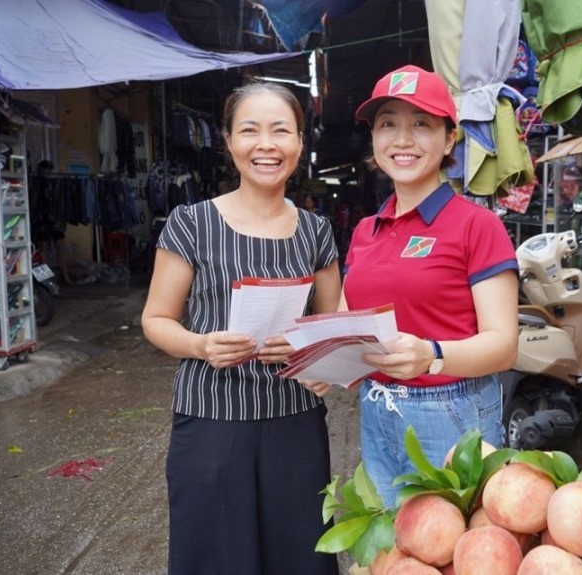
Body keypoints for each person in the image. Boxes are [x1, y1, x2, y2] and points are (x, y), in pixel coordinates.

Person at [141, 81, 341, 575]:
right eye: (250, 130)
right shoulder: (191, 223)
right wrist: (200, 343)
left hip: (295, 421)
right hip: (212, 422)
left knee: (299, 556)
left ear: (299, 142)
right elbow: (155, 319)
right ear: (229, 142)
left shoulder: (316, 231)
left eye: (281, 131)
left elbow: (333, 323)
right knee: (215, 555)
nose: (266, 145)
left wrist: (321, 360)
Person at [301, 65, 519, 508]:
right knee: (396, 545)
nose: (402, 140)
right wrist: (321, 361)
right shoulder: (366, 230)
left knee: (456, 549)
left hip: (452, 411)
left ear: (449, 139)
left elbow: (504, 346)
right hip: (378, 410)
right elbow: (350, 322)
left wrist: (432, 355)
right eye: (388, 125)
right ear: (375, 140)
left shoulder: (479, 226)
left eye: (421, 123)